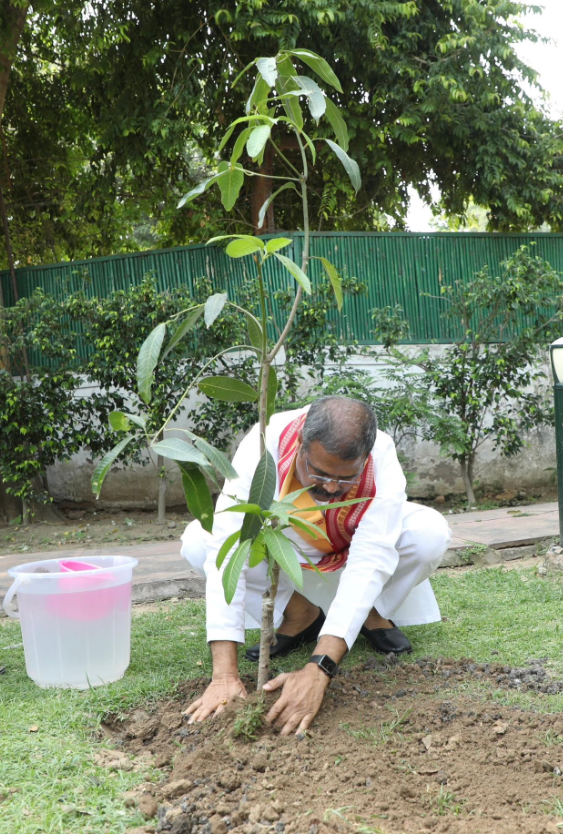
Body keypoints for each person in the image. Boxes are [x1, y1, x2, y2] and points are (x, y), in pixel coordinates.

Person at [180, 396, 451, 736]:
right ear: (301, 447)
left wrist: (318, 668)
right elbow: (228, 543)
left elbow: (371, 557)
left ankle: (369, 613)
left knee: (429, 534)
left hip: (351, 540)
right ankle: (299, 614)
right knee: (197, 540)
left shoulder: (381, 453)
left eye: (346, 478)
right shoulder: (266, 442)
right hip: (289, 540)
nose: (331, 487)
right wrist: (224, 676)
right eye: (320, 473)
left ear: (364, 459)